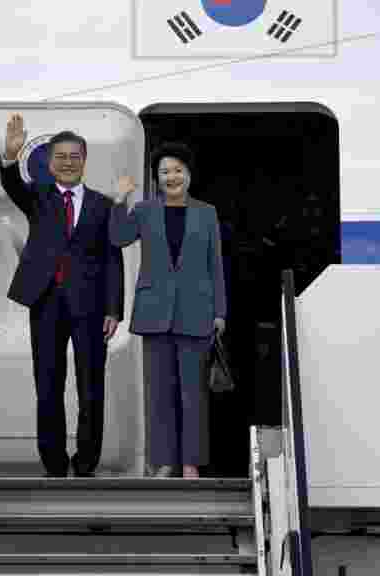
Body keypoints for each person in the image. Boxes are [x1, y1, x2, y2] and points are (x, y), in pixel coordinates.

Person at [0, 114, 124, 478]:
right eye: (61, 157)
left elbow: (112, 257)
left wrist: (114, 309)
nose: (68, 162)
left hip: (91, 306)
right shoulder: (38, 197)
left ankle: (86, 463)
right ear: (50, 163)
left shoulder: (103, 204)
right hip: (46, 302)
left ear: (84, 160)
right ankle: (53, 462)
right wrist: (9, 155)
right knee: (48, 384)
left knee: (91, 387)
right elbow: (11, 184)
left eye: (75, 156)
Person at [110, 142, 226, 479]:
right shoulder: (145, 210)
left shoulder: (207, 212)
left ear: (189, 175)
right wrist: (119, 200)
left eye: (177, 170)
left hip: (197, 312)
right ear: (156, 178)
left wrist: (220, 311)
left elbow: (214, 264)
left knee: (193, 395)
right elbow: (118, 237)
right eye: (164, 172)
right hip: (154, 312)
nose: (171, 176)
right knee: (159, 394)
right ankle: (163, 461)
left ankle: (190, 463)